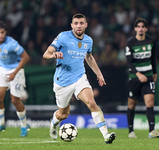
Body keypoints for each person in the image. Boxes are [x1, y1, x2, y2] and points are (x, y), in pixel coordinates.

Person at [43, 13, 116, 144]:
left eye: (81, 23)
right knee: (63, 114)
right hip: (62, 81)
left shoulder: (88, 40)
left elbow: (89, 57)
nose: (78, 26)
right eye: (76, 23)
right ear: (72, 25)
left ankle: (106, 135)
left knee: (91, 102)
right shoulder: (63, 36)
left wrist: (98, 73)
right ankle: (54, 123)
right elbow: (46, 54)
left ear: (86, 25)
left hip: (79, 77)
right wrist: (54, 54)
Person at [0, 21, 30, 137]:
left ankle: (24, 125)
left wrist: (14, 73)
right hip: (2, 69)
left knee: (15, 100)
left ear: (5, 32)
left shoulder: (12, 44)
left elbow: (26, 57)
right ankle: (1, 124)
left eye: (2, 32)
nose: (0, 35)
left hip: (16, 70)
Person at [125, 18, 159, 138]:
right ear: (135, 28)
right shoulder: (130, 43)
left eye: (143, 27)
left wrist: (155, 73)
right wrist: (138, 74)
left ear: (146, 29)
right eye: (138, 26)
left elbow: (153, 59)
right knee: (131, 105)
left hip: (148, 77)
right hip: (134, 78)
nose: (140, 29)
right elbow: (129, 63)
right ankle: (131, 131)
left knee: (150, 103)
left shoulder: (151, 41)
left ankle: (152, 131)